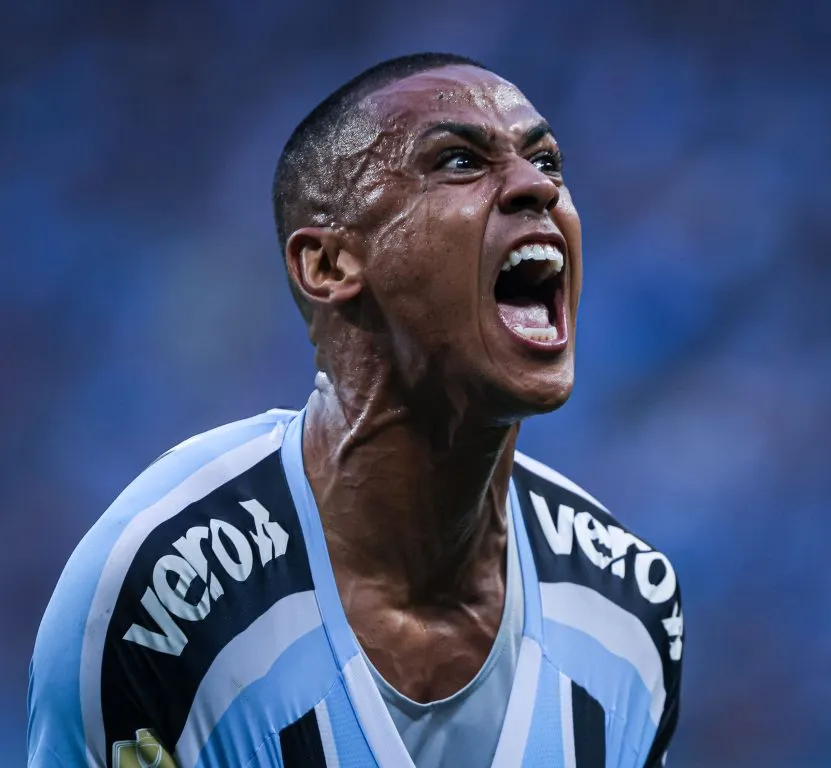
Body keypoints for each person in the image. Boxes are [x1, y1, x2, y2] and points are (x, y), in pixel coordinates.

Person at [27, 52, 683, 768]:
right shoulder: (160, 604)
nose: (535, 187)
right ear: (329, 265)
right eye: (461, 162)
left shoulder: (630, 613)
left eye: (548, 162)